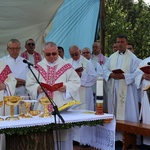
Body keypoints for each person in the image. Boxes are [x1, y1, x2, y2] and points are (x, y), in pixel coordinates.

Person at [25, 41, 80, 150]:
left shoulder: (66, 66)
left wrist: (66, 87)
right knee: (44, 138)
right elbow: (29, 83)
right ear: (43, 53)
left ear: (57, 52)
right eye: (48, 54)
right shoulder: (37, 67)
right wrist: (37, 88)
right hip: (42, 107)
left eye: (54, 54)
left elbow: (76, 82)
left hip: (60, 106)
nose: (51, 57)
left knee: (62, 138)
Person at [103, 35, 140, 122]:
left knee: (127, 111)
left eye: (122, 42)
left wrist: (124, 76)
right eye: (118, 42)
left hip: (127, 91)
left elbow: (137, 73)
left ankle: (128, 133)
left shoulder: (133, 58)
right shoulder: (112, 57)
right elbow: (105, 69)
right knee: (114, 109)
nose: (120, 44)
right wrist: (111, 74)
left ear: (126, 43)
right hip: (114, 89)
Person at [68, 45, 97, 111]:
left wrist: (82, 75)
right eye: (72, 55)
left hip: (85, 90)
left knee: (85, 109)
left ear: (80, 52)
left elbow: (94, 77)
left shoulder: (87, 63)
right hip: (73, 91)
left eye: (76, 54)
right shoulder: (68, 63)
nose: (74, 57)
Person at [135, 57, 150, 148]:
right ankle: (147, 144)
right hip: (146, 98)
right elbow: (136, 75)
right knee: (147, 119)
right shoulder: (145, 61)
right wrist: (143, 76)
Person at [91, 42, 108, 112]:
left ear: (100, 48)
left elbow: (106, 70)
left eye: (96, 47)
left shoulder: (106, 59)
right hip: (92, 84)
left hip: (101, 83)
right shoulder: (89, 59)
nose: (94, 49)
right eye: (93, 47)